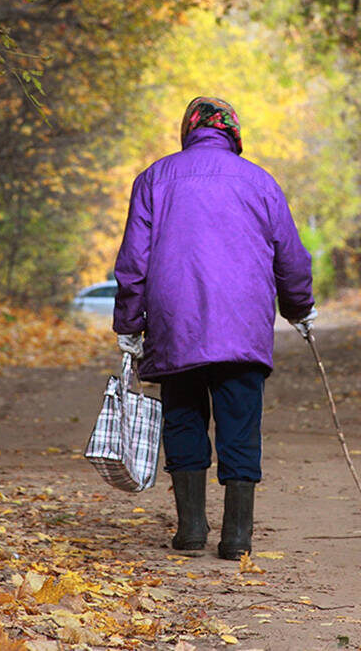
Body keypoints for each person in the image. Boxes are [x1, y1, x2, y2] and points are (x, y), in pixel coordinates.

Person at [112, 96, 316, 560]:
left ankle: (191, 530)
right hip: (242, 325)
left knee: (182, 415)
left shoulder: (155, 179)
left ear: (188, 129)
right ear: (233, 133)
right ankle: (237, 536)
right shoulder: (261, 182)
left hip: (173, 321)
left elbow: (133, 262)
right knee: (240, 423)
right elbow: (292, 258)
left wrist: (128, 323)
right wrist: (299, 308)